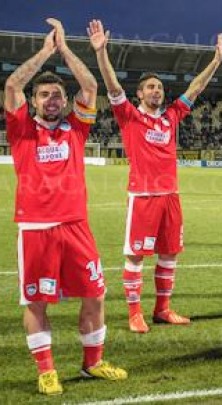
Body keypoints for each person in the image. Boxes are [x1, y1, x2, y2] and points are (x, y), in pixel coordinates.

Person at [6, 18, 127, 395]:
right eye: (44, 96)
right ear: (35, 101)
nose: (52, 100)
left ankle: (93, 364)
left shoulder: (77, 128)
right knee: (37, 301)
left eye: (57, 94)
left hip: (76, 225)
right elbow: (11, 86)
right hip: (37, 228)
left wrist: (68, 50)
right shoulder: (22, 129)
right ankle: (46, 371)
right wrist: (45, 51)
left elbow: (90, 85)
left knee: (95, 294)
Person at [90, 19, 222, 333]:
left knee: (169, 253)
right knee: (136, 255)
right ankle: (134, 313)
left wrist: (215, 62)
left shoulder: (172, 116)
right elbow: (111, 85)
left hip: (170, 197)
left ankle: (162, 309)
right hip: (144, 197)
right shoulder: (129, 116)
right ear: (139, 94)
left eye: (160, 87)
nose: (157, 91)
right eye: (151, 87)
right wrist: (101, 53)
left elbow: (196, 88)